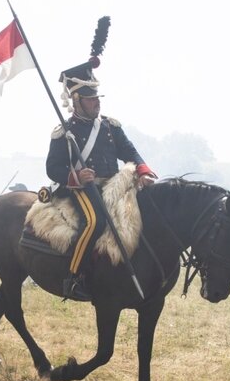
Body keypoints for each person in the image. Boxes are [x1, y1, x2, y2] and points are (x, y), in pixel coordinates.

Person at [46, 59, 156, 301]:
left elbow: (129, 151)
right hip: (82, 189)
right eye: (91, 99)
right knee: (95, 222)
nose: (97, 102)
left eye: (97, 98)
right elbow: (52, 167)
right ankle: (74, 276)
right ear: (76, 101)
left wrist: (143, 171)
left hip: (116, 186)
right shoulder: (64, 131)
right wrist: (75, 176)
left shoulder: (109, 126)